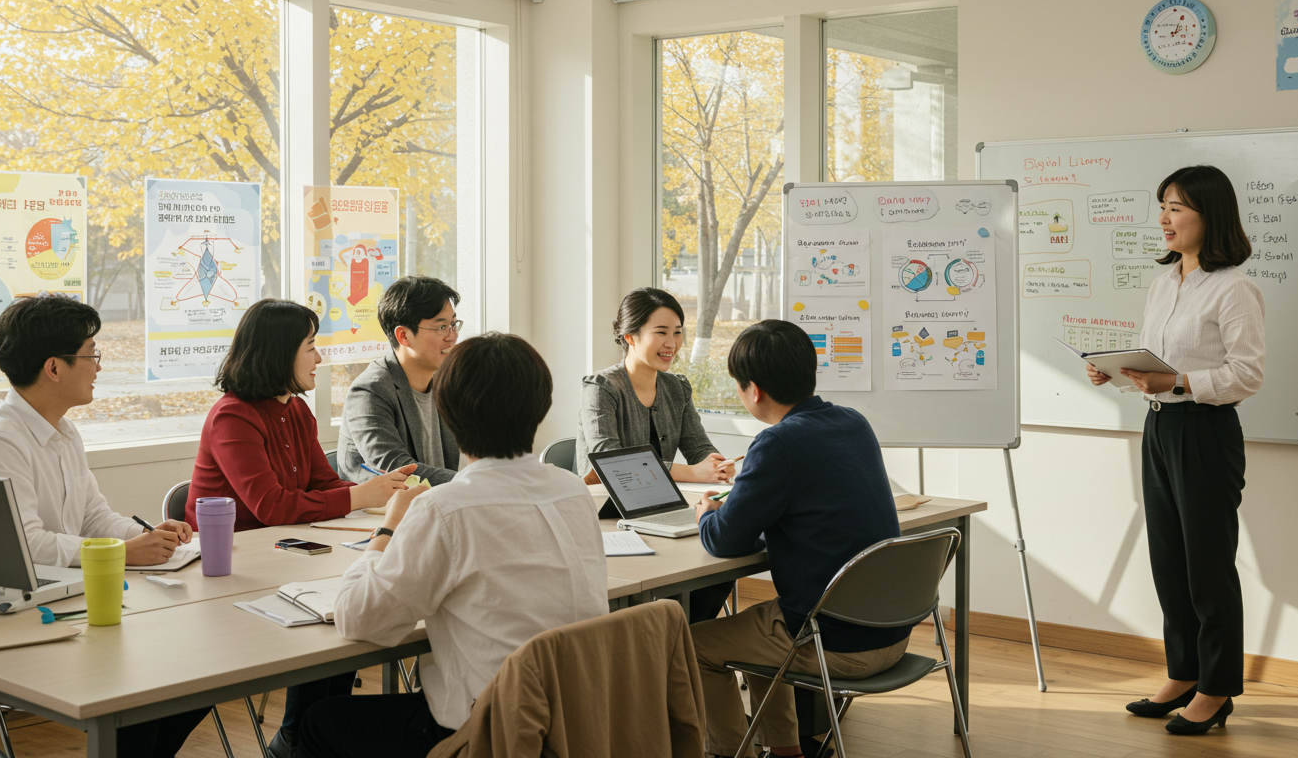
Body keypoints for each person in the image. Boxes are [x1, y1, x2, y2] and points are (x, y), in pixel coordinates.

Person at [297, 333, 608, 758]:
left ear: (446, 410)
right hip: (578, 723)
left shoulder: (445, 509)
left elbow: (361, 619)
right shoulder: (571, 490)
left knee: (319, 722)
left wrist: (386, 532)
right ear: (542, 405)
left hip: (490, 730)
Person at [0, 294, 205, 758]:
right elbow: (24, 545)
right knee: (155, 676)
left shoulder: (63, 430)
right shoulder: (0, 440)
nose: (98, 367)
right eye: (91, 356)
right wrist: (122, 554)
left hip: (68, 599)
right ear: (55, 367)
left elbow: (94, 516)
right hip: (18, 619)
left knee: (198, 671)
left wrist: (148, 536)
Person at [186, 298, 410, 758]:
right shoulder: (233, 415)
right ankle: (297, 739)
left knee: (342, 617)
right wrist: (360, 497)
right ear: (277, 352)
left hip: (287, 558)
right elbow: (270, 506)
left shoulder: (297, 410)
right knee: (333, 623)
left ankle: (305, 739)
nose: (319, 358)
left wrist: (380, 493)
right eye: (311, 346)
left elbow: (322, 483)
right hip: (234, 574)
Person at [1088, 165, 1264, 736]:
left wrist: (1179, 383)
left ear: (1208, 216)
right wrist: (1117, 373)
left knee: (1208, 566)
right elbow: (1156, 365)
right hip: (1160, 427)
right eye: (1162, 205)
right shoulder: (1164, 283)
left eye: (1177, 208)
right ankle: (1184, 672)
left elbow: (1246, 374)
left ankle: (1216, 688)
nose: (1164, 218)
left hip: (1205, 433)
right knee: (1170, 561)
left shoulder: (1234, 286)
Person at [690, 320, 910, 758]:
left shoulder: (777, 444)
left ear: (753, 391)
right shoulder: (853, 423)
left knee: (695, 646)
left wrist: (707, 514)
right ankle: (787, 751)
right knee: (758, 623)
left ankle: (736, 754)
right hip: (893, 630)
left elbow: (724, 541)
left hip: (839, 644)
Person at [576, 287, 735, 624]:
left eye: (677, 332)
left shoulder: (677, 387)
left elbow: (697, 445)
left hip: (661, 509)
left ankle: (685, 646)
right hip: (606, 516)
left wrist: (715, 464)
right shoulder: (601, 387)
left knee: (720, 566)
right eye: (661, 333)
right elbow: (609, 456)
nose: (672, 343)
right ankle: (667, 647)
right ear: (630, 336)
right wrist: (692, 473)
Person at [336, 276, 462, 485]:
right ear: (403, 335)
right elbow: (396, 468)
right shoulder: (370, 391)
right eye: (441, 327)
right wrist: (472, 482)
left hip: (434, 505)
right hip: (377, 513)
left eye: (453, 324)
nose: (453, 336)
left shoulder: (446, 382)